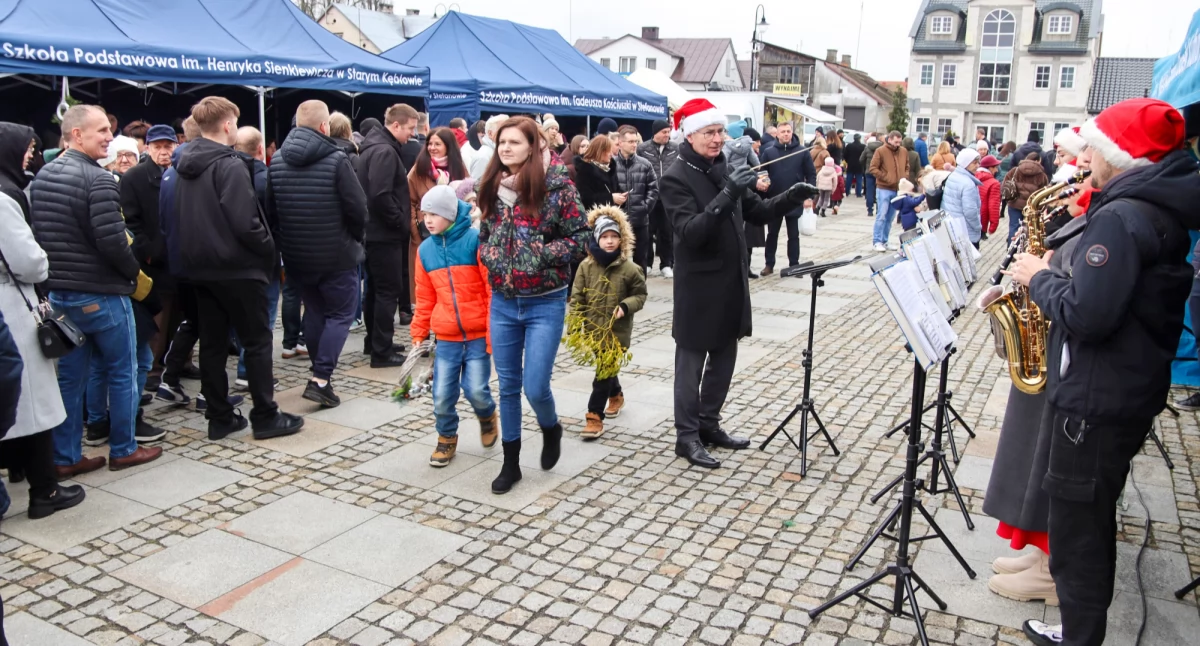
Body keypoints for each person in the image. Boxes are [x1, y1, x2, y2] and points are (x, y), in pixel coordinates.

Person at [1004, 98, 1199, 646]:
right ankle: (1077, 627)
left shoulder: (1119, 217)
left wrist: (1039, 275)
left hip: (1095, 400)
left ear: (1122, 154)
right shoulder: (1154, 209)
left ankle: (1079, 635)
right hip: (1125, 390)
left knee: (1078, 532)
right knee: (1087, 520)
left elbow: (1088, 316)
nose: (1085, 155)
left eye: (1094, 146)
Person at [657, 98, 816, 469]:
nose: (718, 139)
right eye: (710, 132)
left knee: (724, 359)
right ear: (690, 134)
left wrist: (788, 198)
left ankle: (709, 424)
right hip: (698, 286)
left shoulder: (721, 165)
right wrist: (727, 193)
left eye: (720, 132)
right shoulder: (675, 177)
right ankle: (687, 436)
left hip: (730, 280)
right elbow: (691, 232)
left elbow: (756, 211)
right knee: (692, 363)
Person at [30, 105, 161, 476]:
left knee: (71, 378)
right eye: (101, 131)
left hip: (62, 294)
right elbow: (113, 243)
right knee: (124, 369)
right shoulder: (98, 179)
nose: (108, 136)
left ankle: (66, 457)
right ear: (76, 135)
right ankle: (123, 448)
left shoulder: (44, 176)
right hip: (101, 293)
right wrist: (132, 275)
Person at [173, 96, 302, 441]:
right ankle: (265, 414)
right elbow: (245, 222)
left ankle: (219, 415)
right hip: (237, 267)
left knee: (213, 344)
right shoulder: (228, 163)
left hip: (202, 268)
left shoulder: (184, 164)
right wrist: (267, 250)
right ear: (228, 124)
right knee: (257, 341)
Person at [476, 117, 590, 494]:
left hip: (545, 302)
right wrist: (490, 254)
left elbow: (580, 238)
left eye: (514, 142)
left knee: (536, 386)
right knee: (508, 386)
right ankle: (511, 463)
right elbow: (486, 234)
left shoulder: (557, 184)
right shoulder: (492, 185)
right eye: (501, 142)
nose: (505, 148)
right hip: (504, 302)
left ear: (533, 145)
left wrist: (540, 253)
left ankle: (551, 426)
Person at [267, 100, 367, 408]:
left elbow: (272, 212)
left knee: (314, 312)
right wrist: (354, 239)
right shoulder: (337, 159)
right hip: (336, 254)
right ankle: (321, 378)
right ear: (325, 127)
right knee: (340, 313)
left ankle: (319, 372)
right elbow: (358, 210)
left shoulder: (278, 159)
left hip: (297, 255)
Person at [0, 142, 82, 518]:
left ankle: (19, 472)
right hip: (10, 311)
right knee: (30, 401)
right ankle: (44, 490)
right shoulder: (2, 201)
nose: (31, 156)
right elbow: (30, 263)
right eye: (27, 148)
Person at [409, 185, 498, 467]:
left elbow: (490, 290)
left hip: (476, 336)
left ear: (449, 214)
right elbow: (424, 296)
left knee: (476, 389)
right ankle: (446, 438)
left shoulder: (475, 242)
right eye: (425, 215)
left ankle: (486, 415)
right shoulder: (425, 251)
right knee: (442, 394)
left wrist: (491, 333)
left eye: (434, 214)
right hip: (446, 337)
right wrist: (419, 332)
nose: (428, 220)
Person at [572, 207, 647, 439]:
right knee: (606, 368)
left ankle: (594, 416)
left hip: (617, 332)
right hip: (594, 330)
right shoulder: (586, 266)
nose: (610, 241)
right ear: (597, 238)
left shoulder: (631, 269)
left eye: (614, 236)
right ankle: (616, 395)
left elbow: (640, 295)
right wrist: (575, 324)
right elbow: (577, 297)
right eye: (605, 237)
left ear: (621, 239)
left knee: (603, 371)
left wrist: (625, 306)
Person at [357, 104, 419, 367]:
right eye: (410, 128)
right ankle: (381, 350)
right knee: (387, 291)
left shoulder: (375, 146)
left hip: (375, 232)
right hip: (384, 233)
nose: (412, 135)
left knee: (375, 290)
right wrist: (400, 223)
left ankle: (375, 342)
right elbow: (380, 195)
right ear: (396, 126)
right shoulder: (384, 150)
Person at [120, 124, 178, 393]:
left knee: (180, 313)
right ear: (147, 148)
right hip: (154, 261)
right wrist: (150, 252)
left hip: (181, 257)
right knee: (159, 317)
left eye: (168, 146)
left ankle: (180, 361)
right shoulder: (134, 177)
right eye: (158, 147)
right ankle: (154, 368)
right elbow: (130, 221)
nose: (164, 152)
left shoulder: (179, 173)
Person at [759, 121, 815, 274]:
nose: (785, 134)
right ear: (777, 134)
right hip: (775, 199)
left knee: (793, 235)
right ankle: (769, 264)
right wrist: (764, 190)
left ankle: (794, 265)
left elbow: (811, 175)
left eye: (788, 131)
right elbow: (762, 173)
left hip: (794, 199)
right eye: (782, 131)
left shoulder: (802, 151)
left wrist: (809, 197)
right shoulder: (769, 152)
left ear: (792, 133)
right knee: (772, 234)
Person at [637, 119, 678, 278]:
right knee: (648, 231)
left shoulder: (675, 148)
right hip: (650, 195)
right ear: (655, 133)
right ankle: (647, 263)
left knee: (667, 231)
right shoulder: (643, 148)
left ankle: (667, 263)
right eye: (664, 132)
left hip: (668, 196)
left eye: (668, 132)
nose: (667, 135)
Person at [613, 125, 658, 272]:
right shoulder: (611, 164)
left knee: (640, 260)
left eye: (635, 141)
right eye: (630, 141)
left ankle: (639, 292)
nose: (634, 145)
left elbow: (653, 189)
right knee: (616, 259)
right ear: (620, 143)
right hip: (616, 221)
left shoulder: (645, 164)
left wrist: (645, 207)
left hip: (640, 221)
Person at [868, 131, 910, 251]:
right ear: (890, 139)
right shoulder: (880, 151)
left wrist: (904, 177)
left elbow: (907, 166)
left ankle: (885, 240)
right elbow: (873, 168)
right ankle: (877, 241)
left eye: (899, 142)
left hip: (897, 189)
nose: (898, 144)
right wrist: (886, 177)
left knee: (890, 217)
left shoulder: (903, 151)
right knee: (881, 215)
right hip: (884, 188)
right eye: (896, 142)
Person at [1004, 152, 1050, 243]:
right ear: (1037, 161)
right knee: (1028, 229)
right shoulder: (1042, 175)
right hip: (1032, 207)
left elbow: (1005, 185)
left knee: (1014, 227)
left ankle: (1011, 250)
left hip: (1014, 204)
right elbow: (1044, 193)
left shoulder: (1015, 170)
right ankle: (1024, 250)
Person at [943, 148, 982, 248]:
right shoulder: (968, 184)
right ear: (965, 163)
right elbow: (970, 211)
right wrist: (978, 227)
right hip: (966, 232)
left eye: (978, 162)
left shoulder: (953, 175)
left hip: (952, 228)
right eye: (974, 163)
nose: (977, 166)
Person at [573, 135, 620, 211]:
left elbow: (616, 188)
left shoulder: (610, 168)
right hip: (594, 218)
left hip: (612, 215)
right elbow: (585, 199)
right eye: (609, 151)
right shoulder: (585, 170)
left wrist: (621, 196)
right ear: (600, 151)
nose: (611, 154)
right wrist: (611, 198)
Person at [468, 115, 507, 180]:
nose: (508, 133)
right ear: (490, 133)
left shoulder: (495, 152)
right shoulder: (484, 156)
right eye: (502, 130)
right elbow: (478, 187)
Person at [976, 154, 1002, 240]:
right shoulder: (994, 183)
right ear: (990, 168)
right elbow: (993, 206)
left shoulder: (973, 177)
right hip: (982, 219)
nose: (997, 170)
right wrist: (993, 225)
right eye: (995, 167)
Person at [860, 133, 884, 216]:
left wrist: (866, 166)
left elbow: (861, 159)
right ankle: (878, 209)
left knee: (869, 191)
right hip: (880, 173)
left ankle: (870, 210)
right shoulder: (883, 148)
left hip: (869, 172)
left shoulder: (867, 148)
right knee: (879, 191)